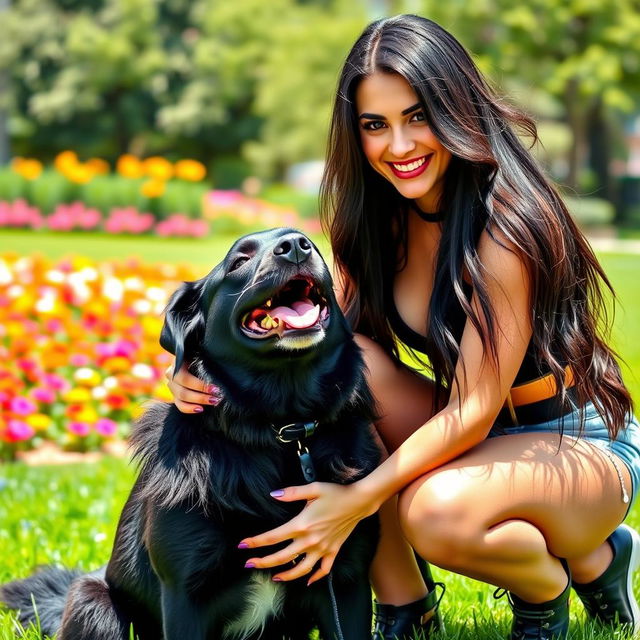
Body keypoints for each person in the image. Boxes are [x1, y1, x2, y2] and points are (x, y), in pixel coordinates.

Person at [166, 14, 640, 640]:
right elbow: (324, 346)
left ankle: (571, 571)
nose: (399, 145)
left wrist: (358, 499)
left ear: (456, 110)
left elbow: (473, 408)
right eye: (374, 125)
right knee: (350, 368)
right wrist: (191, 367)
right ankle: (406, 607)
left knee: (435, 514)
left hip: (574, 442)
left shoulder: (506, 225)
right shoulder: (377, 221)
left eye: (417, 116)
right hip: (482, 435)